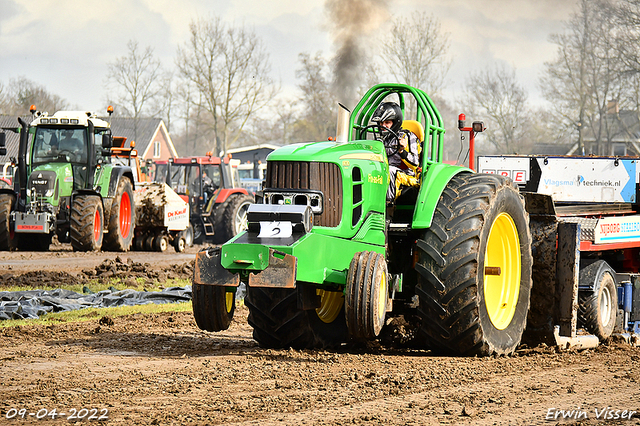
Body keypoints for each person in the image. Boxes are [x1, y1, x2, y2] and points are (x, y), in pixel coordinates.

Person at [371, 102, 420, 204]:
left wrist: (402, 151)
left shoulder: (407, 137)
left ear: (395, 122)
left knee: (390, 170)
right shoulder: (380, 139)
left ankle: (387, 206)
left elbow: (415, 164)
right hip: (385, 173)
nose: (383, 126)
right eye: (381, 123)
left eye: (387, 123)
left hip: (407, 175)